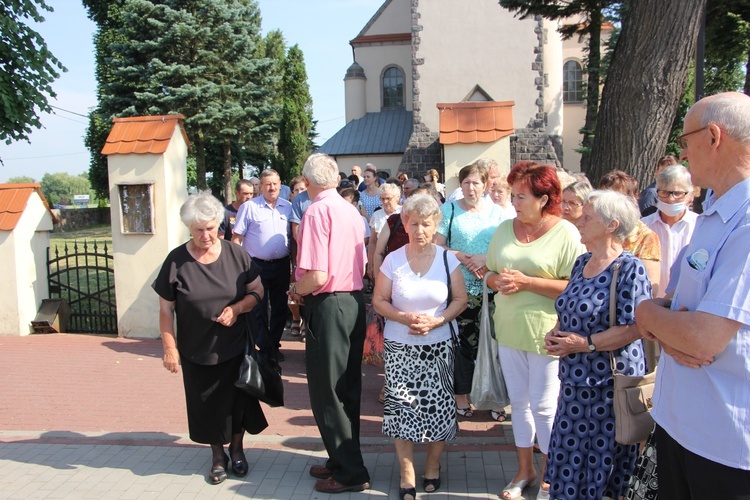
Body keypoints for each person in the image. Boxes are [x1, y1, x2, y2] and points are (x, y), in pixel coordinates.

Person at [635, 92, 750, 499]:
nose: (682, 153)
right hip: (683, 427)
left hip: (724, 447)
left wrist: (651, 317)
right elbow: (676, 307)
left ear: (714, 137)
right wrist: (660, 319)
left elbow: (702, 337)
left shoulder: (746, 222)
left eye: (685, 141)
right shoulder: (718, 212)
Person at [153, 191, 267, 485]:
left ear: (220, 223)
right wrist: (169, 347)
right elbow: (166, 308)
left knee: (238, 403)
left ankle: (238, 449)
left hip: (235, 346)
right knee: (207, 405)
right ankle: (218, 456)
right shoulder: (176, 261)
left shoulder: (236, 254)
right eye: (198, 230)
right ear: (189, 229)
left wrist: (237, 308)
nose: (206, 235)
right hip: (196, 349)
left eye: (211, 228)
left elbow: (257, 292)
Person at [485, 162, 585, 500]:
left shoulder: (567, 233)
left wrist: (529, 282)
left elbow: (577, 285)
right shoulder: (503, 228)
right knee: (519, 403)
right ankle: (525, 471)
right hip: (509, 329)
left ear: (544, 199)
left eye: (521, 196)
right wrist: (493, 279)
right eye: (512, 195)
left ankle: (551, 478)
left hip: (548, 334)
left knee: (546, 408)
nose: (514, 202)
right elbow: (489, 271)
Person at [543, 190, 651, 500]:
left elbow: (636, 327)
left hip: (608, 390)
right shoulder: (581, 263)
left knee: (602, 473)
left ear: (611, 225)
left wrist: (585, 344)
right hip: (575, 386)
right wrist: (558, 332)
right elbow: (571, 309)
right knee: (569, 468)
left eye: (587, 217)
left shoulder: (630, 268)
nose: (578, 219)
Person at [372, 194, 468, 500]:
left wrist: (437, 321)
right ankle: (407, 473)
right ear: (405, 223)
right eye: (414, 224)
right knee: (403, 409)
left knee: (438, 408)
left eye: (426, 224)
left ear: (436, 224)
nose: (420, 230)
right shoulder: (392, 259)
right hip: (400, 347)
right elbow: (378, 301)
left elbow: (460, 300)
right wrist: (403, 316)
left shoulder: (447, 258)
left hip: (439, 347)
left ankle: (433, 466)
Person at [288, 153, 371, 494]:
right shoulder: (351, 210)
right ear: (336, 180)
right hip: (352, 301)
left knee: (328, 390)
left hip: (329, 302)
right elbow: (362, 264)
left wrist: (295, 289)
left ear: (307, 182)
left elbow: (318, 274)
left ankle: (351, 471)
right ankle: (341, 459)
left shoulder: (316, 210)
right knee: (346, 387)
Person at [435, 161, 513, 420]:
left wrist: (484, 258)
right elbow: (438, 246)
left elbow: (507, 249)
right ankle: (461, 396)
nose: (471, 188)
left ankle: (495, 398)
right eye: (466, 182)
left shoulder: (499, 213)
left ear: (486, 185)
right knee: (463, 344)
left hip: (491, 287)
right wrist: (462, 256)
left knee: (495, 342)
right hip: (460, 286)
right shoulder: (449, 210)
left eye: (476, 183)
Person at [232, 169, 292, 362]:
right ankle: (263, 346)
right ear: (260, 187)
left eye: (275, 183)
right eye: (267, 184)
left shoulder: (288, 207)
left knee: (280, 307)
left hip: (282, 265)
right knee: (258, 308)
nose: (271, 187)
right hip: (256, 265)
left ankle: (272, 345)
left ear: (280, 184)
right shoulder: (249, 207)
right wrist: (240, 265)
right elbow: (236, 238)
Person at [599, 171, 662, 297]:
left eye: (614, 198)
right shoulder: (595, 229)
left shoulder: (645, 237)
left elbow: (650, 287)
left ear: (631, 200)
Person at [641, 164, 697, 298]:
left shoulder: (700, 226)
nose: (671, 199)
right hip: (651, 305)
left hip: (686, 306)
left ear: (690, 195)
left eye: (678, 193)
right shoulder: (643, 227)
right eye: (664, 192)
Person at [367, 183, 402, 281]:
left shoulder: (404, 212)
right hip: (381, 259)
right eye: (382, 199)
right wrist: (371, 264)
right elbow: (373, 241)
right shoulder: (377, 215)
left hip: (400, 259)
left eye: (388, 198)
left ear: (397, 197)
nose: (385, 202)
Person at [288, 176, 307, 338]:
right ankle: (296, 317)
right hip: (294, 252)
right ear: (291, 193)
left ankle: (306, 321)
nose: (300, 193)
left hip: (307, 252)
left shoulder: (312, 202)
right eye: (297, 190)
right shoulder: (289, 207)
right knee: (292, 288)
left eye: (303, 189)